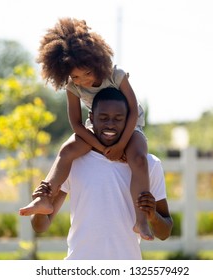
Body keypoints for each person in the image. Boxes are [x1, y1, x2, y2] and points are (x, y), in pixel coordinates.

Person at [19, 18, 153, 240]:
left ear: (96, 61)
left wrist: (121, 145)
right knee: (67, 150)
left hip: (129, 122)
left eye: (87, 73)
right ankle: (44, 196)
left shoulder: (115, 74)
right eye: (75, 77)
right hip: (96, 126)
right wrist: (100, 146)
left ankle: (141, 220)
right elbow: (77, 124)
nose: (82, 81)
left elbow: (131, 110)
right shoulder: (73, 87)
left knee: (139, 158)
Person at [31, 87, 173, 260]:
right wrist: (40, 208)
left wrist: (152, 216)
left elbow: (165, 232)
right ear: (91, 118)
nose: (110, 125)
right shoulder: (74, 161)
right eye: (103, 118)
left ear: (129, 121)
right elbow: (41, 226)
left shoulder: (149, 165)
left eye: (118, 119)